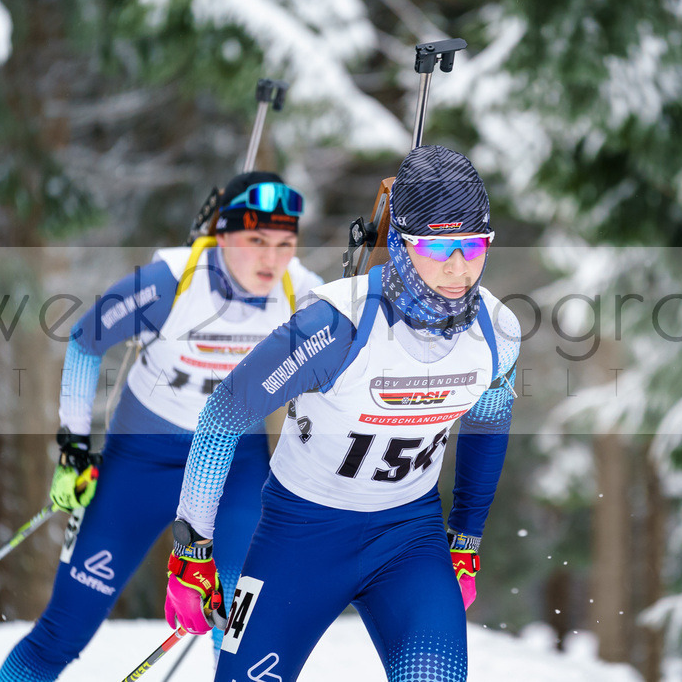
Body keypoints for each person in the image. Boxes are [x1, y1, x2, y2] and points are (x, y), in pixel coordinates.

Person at [163, 145, 521, 682]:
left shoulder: (497, 332)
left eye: (472, 245)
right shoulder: (336, 326)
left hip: (409, 540)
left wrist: (466, 539)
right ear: (401, 244)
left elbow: (488, 427)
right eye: (436, 245)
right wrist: (193, 550)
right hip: (298, 538)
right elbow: (224, 414)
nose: (457, 267)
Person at [0, 171, 324, 681]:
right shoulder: (170, 281)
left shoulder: (302, 292)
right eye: (256, 241)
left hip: (234, 472)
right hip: (141, 465)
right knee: (63, 631)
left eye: (285, 244)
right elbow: (85, 339)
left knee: (239, 635)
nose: (272, 259)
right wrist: (74, 447)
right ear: (222, 235)